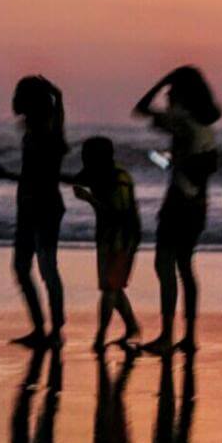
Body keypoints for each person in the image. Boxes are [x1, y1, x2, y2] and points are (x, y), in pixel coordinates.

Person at [133, 66, 221, 354]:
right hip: (198, 203)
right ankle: (189, 336)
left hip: (179, 202)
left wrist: (162, 79)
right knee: (185, 266)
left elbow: (140, 109)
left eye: (172, 92)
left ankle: (167, 336)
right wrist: (170, 161)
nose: (168, 96)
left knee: (164, 264)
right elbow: (193, 163)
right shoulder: (205, 123)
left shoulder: (182, 119)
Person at [0, 75, 69, 347]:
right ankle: (40, 329)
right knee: (23, 268)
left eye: (19, 95)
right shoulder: (35, 132)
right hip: (29, 206)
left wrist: (7, 176)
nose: (14, 100)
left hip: (44, 207)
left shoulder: (47, 133)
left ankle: (54, 331)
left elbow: (42, 177)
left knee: (45, 269)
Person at [68, 136, 142, 351]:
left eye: (86, 156)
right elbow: (76, 178)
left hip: (122, 239)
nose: (83, 159)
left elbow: (117, 215)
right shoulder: (100, 174)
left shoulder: (118, 179)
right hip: (108, 237)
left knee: (110, 288)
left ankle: (100, 337)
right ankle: (131, 326)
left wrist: (89, 199)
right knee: (113, 287)